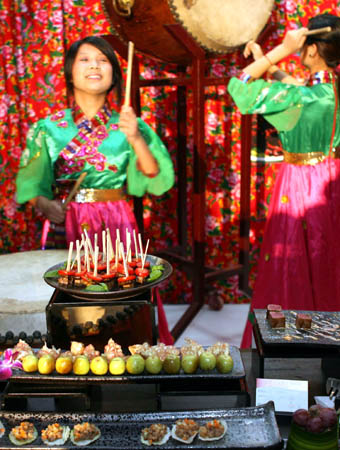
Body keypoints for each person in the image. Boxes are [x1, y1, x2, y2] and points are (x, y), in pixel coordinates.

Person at [227, 13, 340, 347]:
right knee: (329, 263)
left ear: (313, 50)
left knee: (292, 265)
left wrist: (277, 51)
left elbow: (240, 88)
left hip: (301, 185)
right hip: (332, 179)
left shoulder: (303, 99)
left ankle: (290, 348)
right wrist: (266, 57)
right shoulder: (327, 89)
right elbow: (296, 87)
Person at [16, 36, 174, 249]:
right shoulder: (48, 128)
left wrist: (136, 139)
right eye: (84, 59)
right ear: (70, 73)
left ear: (114, 76)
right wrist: (45, 205)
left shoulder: (130, 125)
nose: (94, 65)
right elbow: (31, 182)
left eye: (102, 60)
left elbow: (154, 176)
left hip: (115, 221)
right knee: (67, 280)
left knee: (117, 279)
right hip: (67, 221)